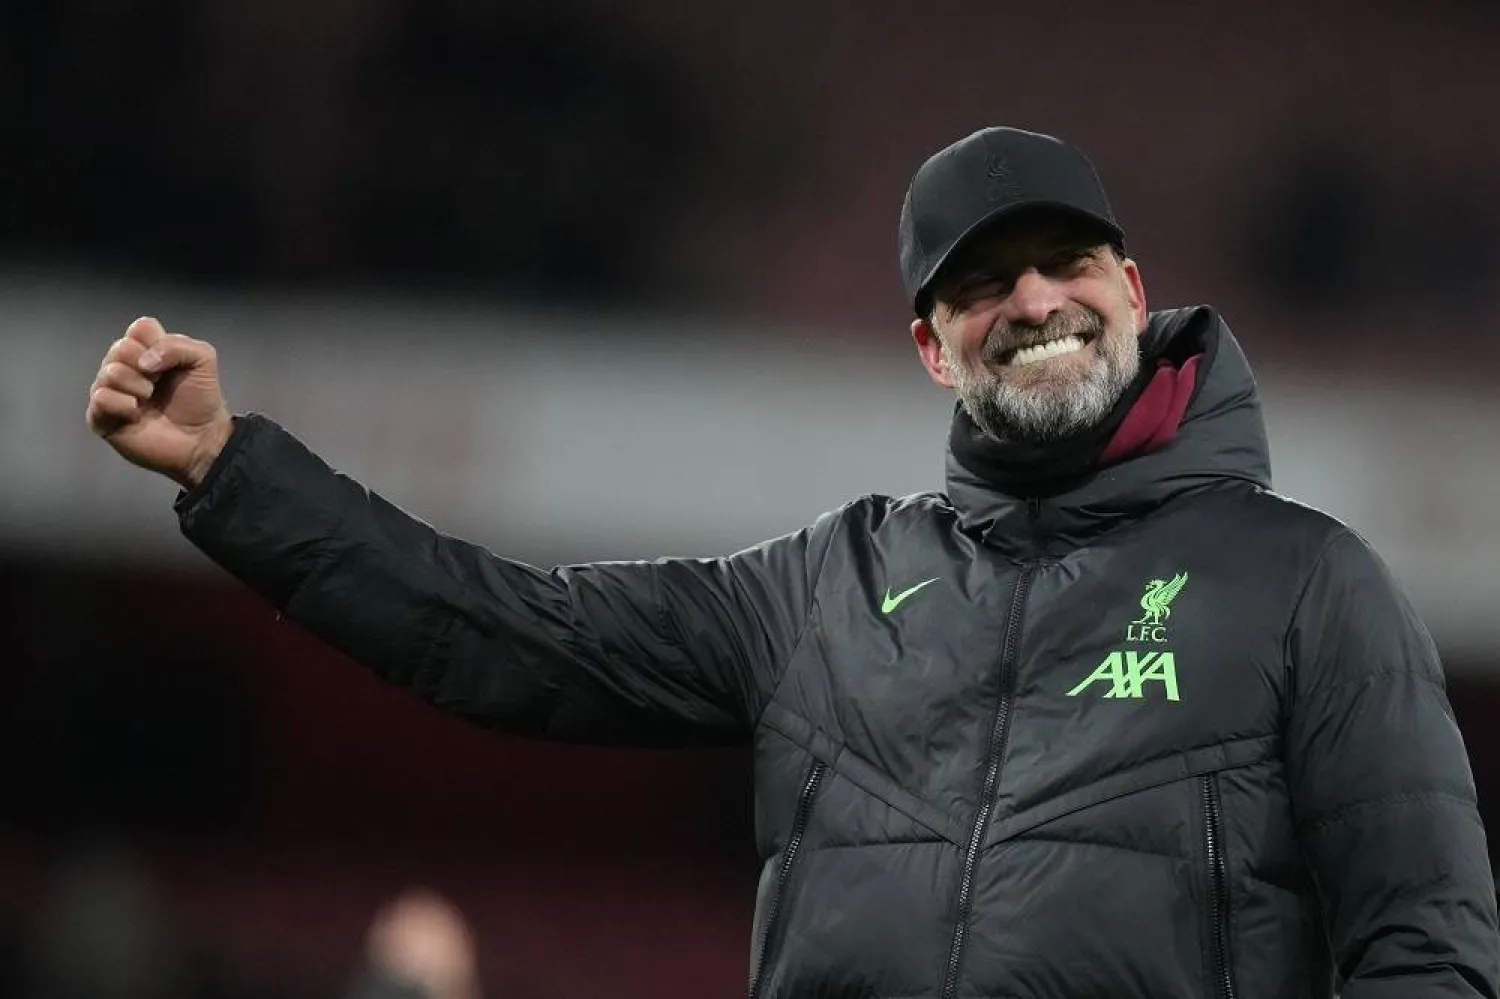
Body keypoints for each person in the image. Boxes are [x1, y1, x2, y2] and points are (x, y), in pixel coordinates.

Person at [86, 126, 1499, 998]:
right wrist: (229, 469)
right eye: (978, 283)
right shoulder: (822, 589)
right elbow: (500, 630)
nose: (1031, 300)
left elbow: (1429, 945)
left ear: (1133, 289)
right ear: (931, 346)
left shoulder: (1313, 586)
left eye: (1065, 260)